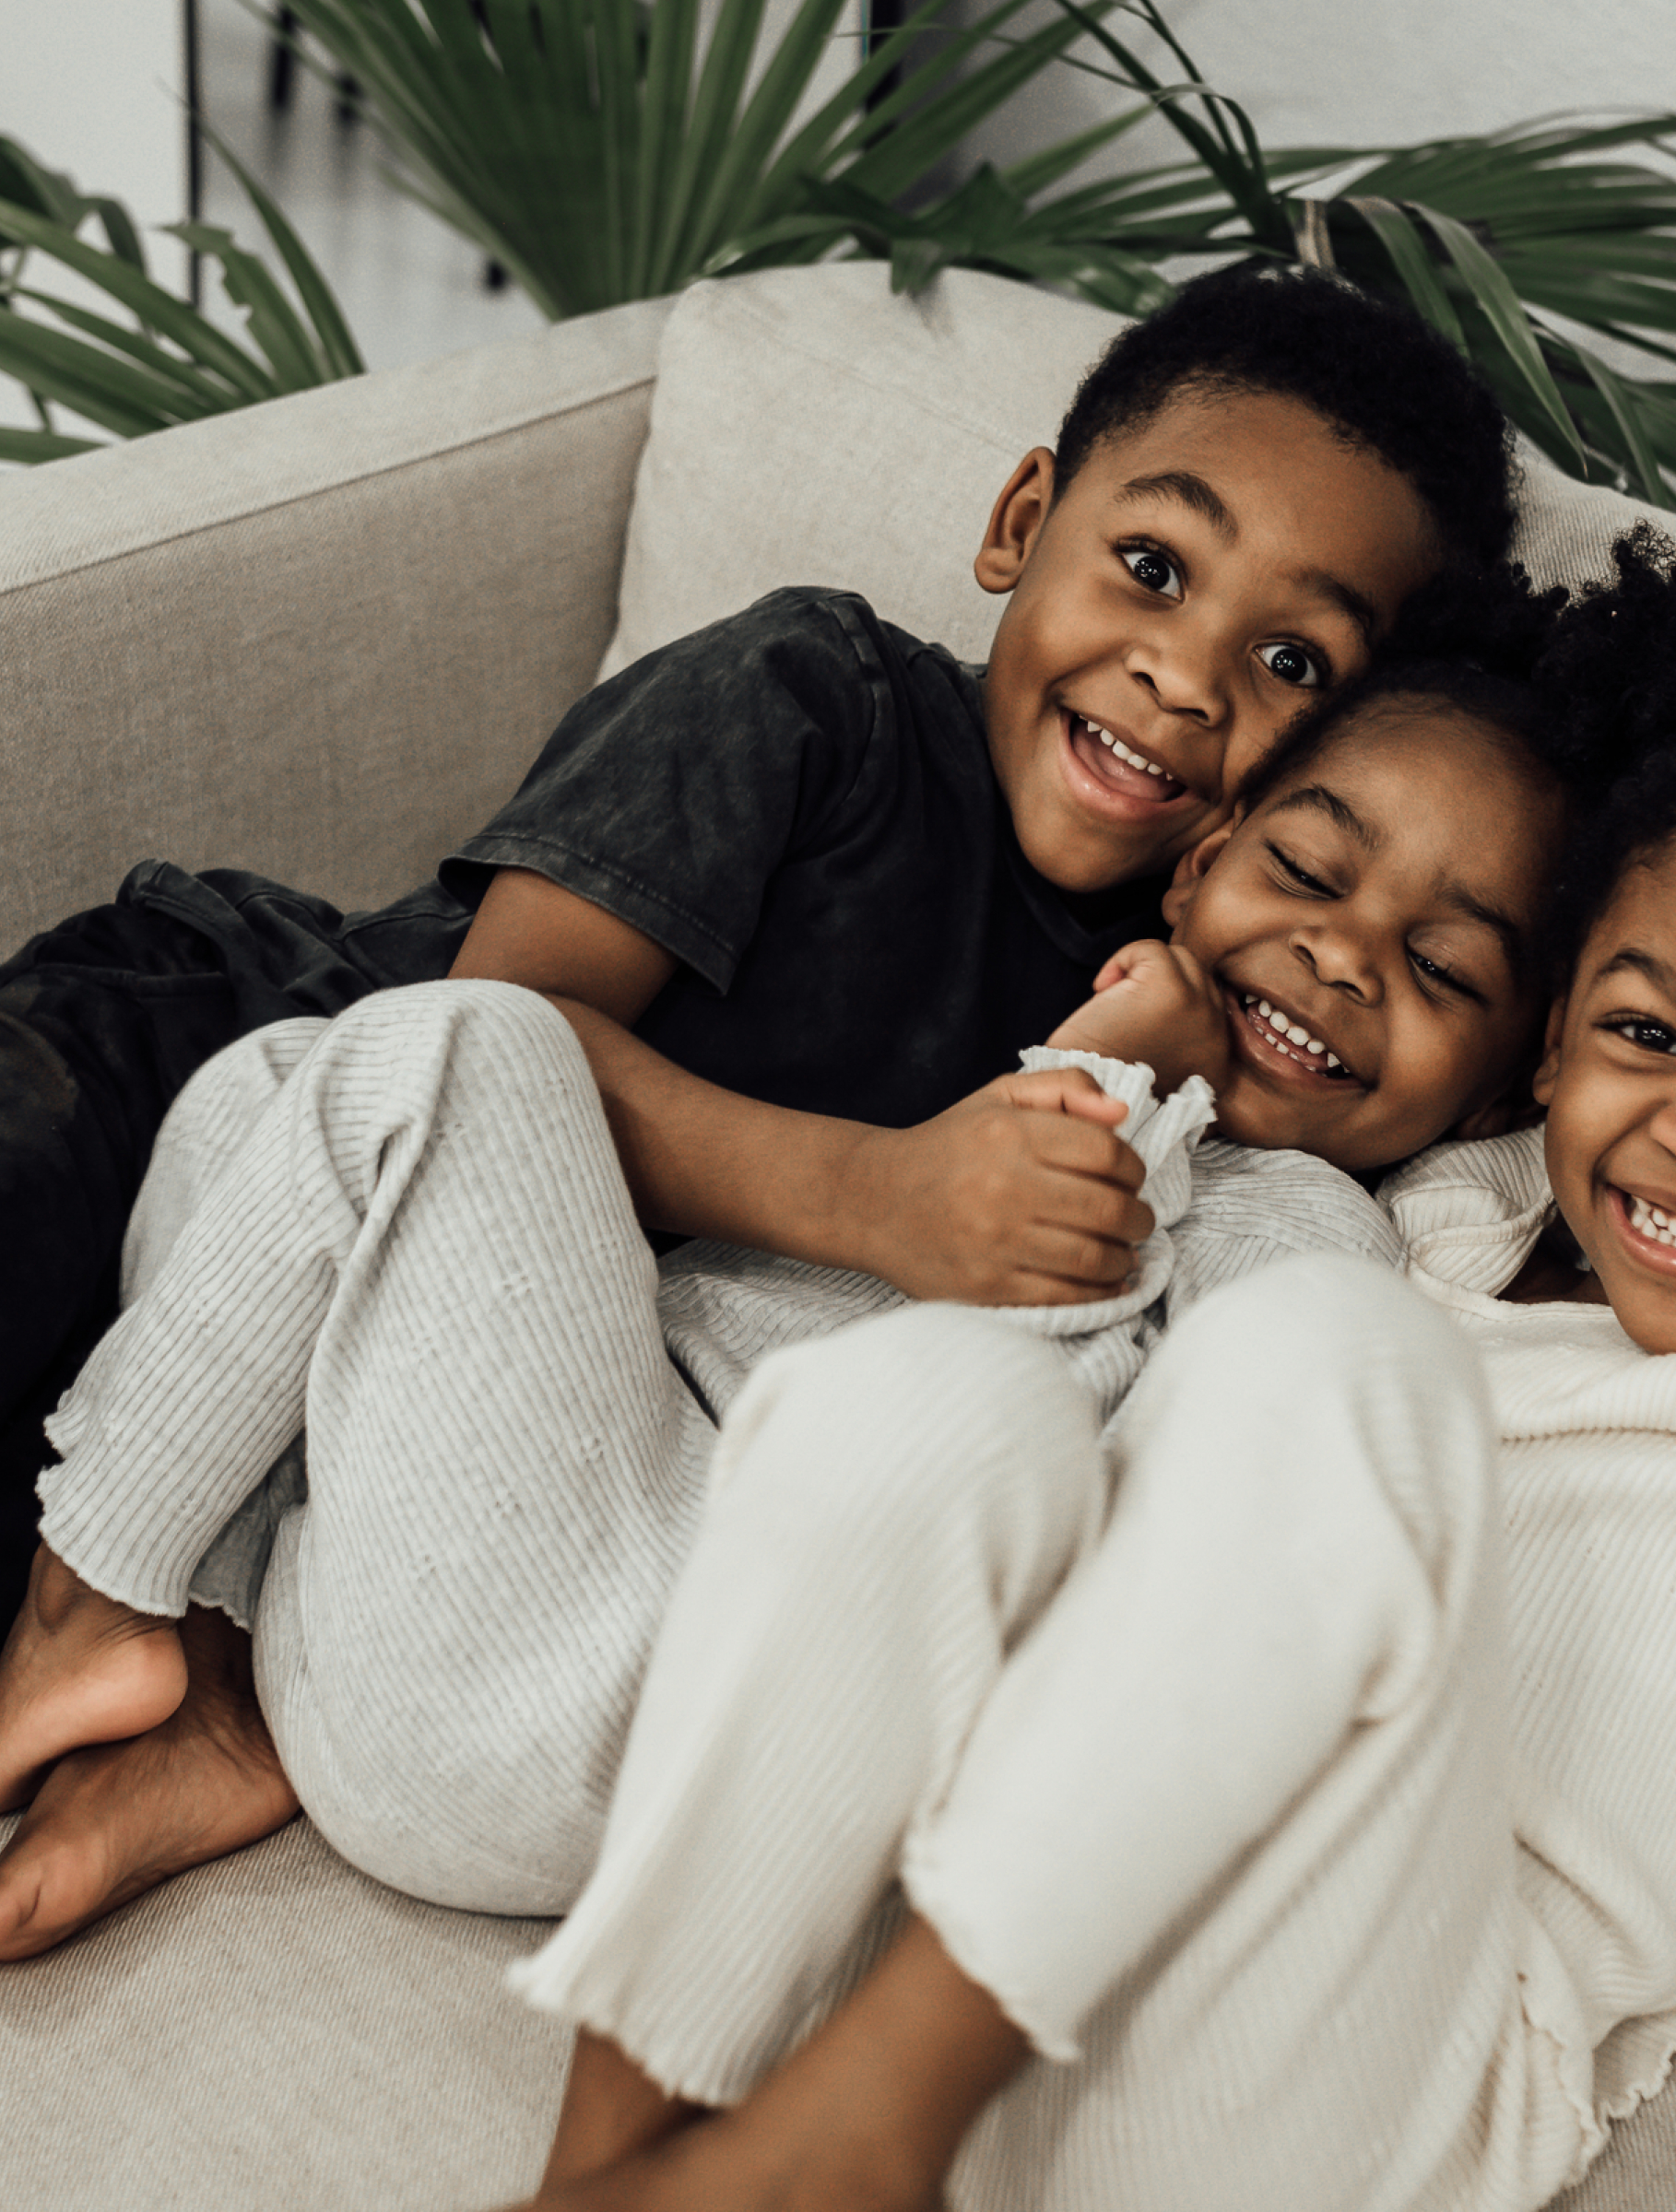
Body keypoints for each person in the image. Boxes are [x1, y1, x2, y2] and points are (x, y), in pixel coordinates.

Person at [392, 62, 1676, 2212]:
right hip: (1062, 1938)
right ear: (1541, 1048)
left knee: (1328, 1363)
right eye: (1640, 1027)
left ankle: (844, 2144)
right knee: (944, 1408)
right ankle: (617, 2167)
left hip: (1373, 2078)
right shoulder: (1434, 1209)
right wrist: (1143, 1053)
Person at [0, 260, 1520, 1917]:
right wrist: (882, 1194)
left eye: (1293, 664)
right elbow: (503, 1021)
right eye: (1151, 566)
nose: (1186, 674)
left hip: (366, 1405)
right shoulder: (819, 700)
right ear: (1023, 519)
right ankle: (152, 1651)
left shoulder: (1191, 1019)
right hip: (190, 1062)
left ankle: (196, 1675)